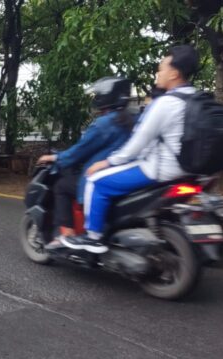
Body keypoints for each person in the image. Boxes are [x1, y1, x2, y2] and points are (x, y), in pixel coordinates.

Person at [62, 45, 199, 253]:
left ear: (174, 74)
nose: (158, 73)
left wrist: (107, 162)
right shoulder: (196, 97)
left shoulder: (166, 103)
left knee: (95, 180)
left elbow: (137, 145)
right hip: (190, 170)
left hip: (159, 169)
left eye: (161, 69)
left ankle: (93, 237)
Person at [37, 77, 134, 249]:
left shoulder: (104, 124)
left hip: (101, 175)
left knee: (61, 186)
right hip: (128, 175)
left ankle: (66, 235)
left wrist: (55, 158)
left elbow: (79, 151)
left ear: (104, 97)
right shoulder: (134, 119)